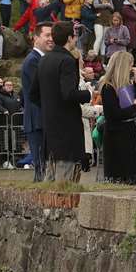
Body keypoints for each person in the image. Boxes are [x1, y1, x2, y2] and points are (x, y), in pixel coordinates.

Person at [32, 20, 92, 184]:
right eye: (74, 37)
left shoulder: (44, 59)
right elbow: (68, 93)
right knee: (64, 183)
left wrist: (50, 108)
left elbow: (32, 95)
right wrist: (88, 94)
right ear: (70, 38)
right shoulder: (67, 61)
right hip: (67, 129)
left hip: (50, 128)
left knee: (50, 179)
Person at [100, 51, 136, 185]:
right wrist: (132, 108)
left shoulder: (129, 85)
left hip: (134, 135)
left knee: (135, 178)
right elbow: (112, 114)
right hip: (118, 138)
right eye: (130, 64)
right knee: (122, 179)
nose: (132, 68)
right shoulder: (108, 87)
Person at [21, 23, 53, 178]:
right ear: (36, 38)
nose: (51, 39)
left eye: (52, 35)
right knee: (41, 168)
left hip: (43, 119)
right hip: (37, 120)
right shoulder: (32, 60)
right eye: (47, 35)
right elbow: (41, 90)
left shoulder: (44, 59)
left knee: (46, 167)